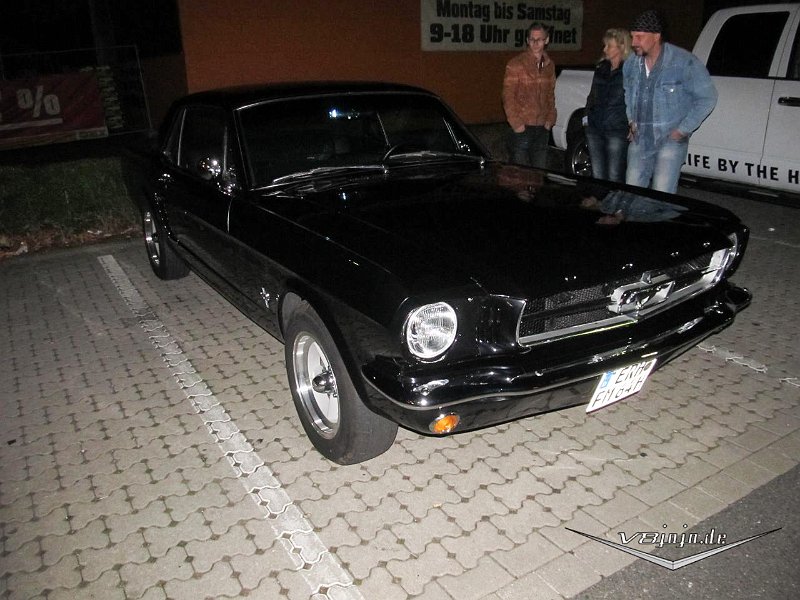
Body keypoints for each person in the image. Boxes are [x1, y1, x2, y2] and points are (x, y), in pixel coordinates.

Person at [623, 10, 717, 193]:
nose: (633, 42)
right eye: (632, 36)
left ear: (656, 36)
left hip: (669, 141)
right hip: (640, 138)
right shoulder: (631, 63)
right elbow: (628, 91)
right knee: (632, 192)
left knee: (662, 194)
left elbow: (708, 97)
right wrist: (631, 120)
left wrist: (682, 130)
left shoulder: (684, 62)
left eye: (639, 37)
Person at [502, 23, 556, 169]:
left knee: (539, 172)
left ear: (546, 40)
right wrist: (516, 123)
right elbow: (508, 95)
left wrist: (550, 119)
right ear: (527, 40)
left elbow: (550, 94)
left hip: (542, 128)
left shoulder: (549, 66)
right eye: (532, 39)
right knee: (520, 174)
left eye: (539, 39)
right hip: (523, 126)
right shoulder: (516, 64)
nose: (535, 43)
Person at [585, 28, 632, 182]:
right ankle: (600, 196)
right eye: (604, 45)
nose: (605, 49)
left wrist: (631, 124)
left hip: (616, 129)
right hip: (595, 128)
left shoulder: (629, 71)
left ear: (622, 47)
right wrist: (586, 120)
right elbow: (592, 96)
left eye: (609, 46)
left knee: (615, 174)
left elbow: (634, 99)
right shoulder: (601, 68)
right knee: (598, 174)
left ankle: (615, 198)